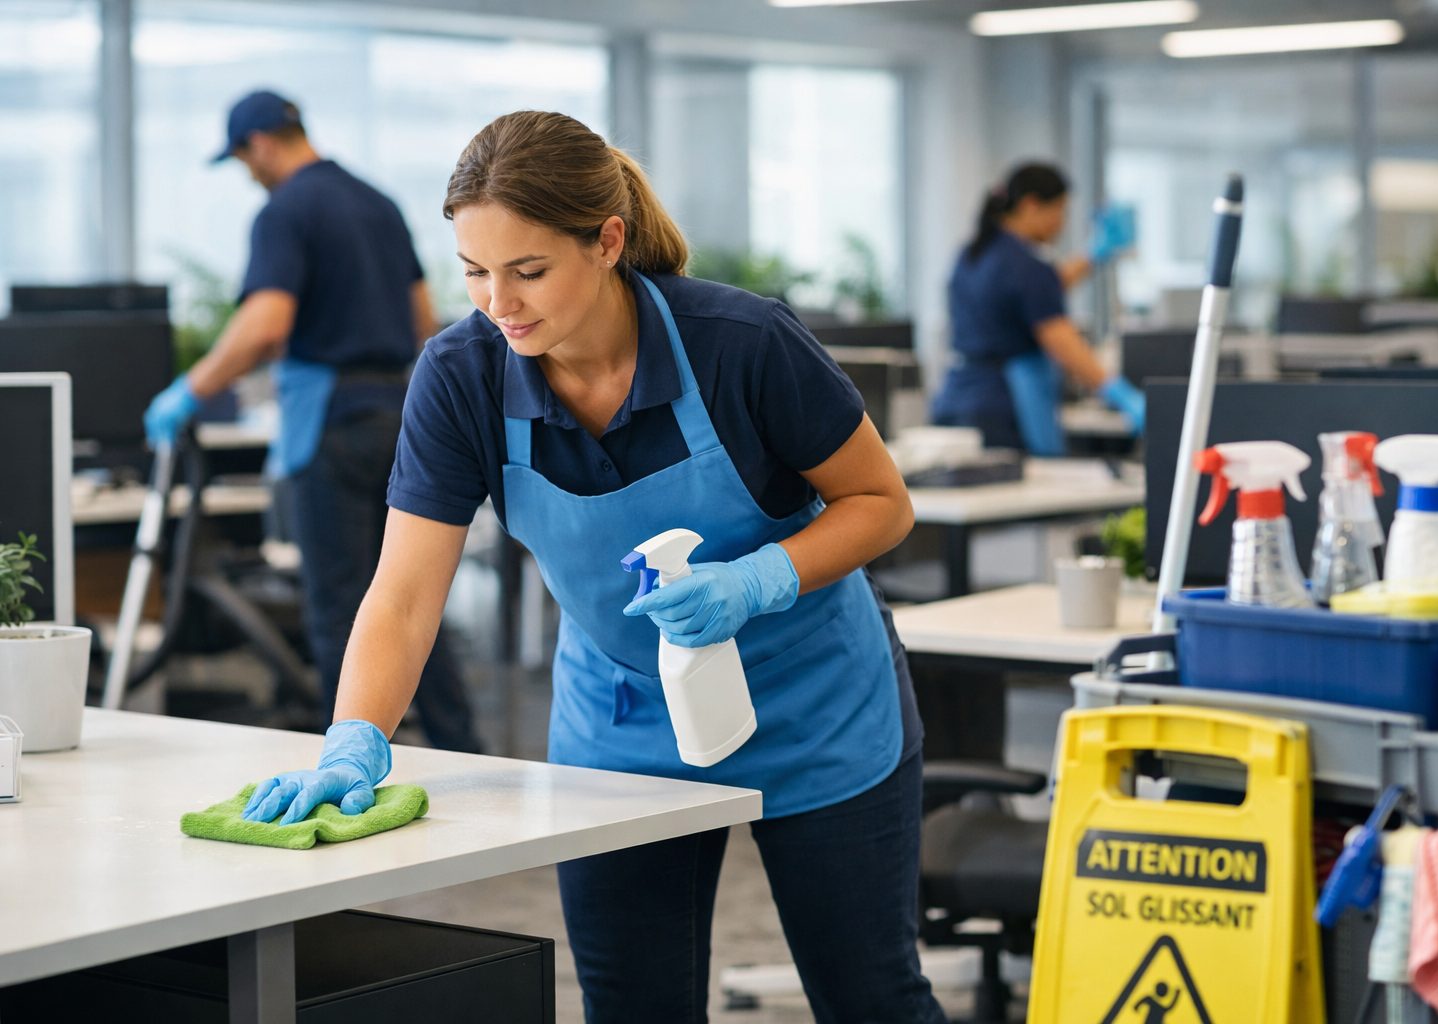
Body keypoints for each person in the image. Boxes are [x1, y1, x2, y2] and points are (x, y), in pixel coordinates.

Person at [240, 109, 947, 1023]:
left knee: (870, 998)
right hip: (623, 723)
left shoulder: (740, 343)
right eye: (476, 274)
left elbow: (881, 503)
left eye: (528, 271)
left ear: (607, 241)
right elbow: (406, 596)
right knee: (631, 1007)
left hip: (812, 701)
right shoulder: (463, 377)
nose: (501, 303)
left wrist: (757, 580)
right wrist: (353, 738)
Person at [143, 89, 479, 753]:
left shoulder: (285, 209)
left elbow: (266, 325)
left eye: (243, 159)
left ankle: (347, 763)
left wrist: (189, 389)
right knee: (413, 598)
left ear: (261, 143)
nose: (248, 173)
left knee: (340, 606)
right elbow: (421, 320)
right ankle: (456, 747)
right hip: (402, 416)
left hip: (332, 423)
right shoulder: (377, 202)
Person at [930, 161, 1145, 455]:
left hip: (956, 399)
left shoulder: (972, 254)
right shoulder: (1027, 266)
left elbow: (1038, 292)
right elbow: (1060, 339)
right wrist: (1117, 392)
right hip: (1003, 408)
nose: (1062, 222)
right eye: (1060, 210)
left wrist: (1094, 255)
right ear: (1031, 205)